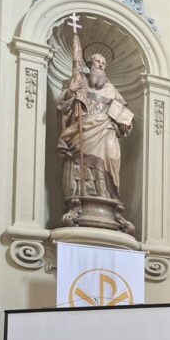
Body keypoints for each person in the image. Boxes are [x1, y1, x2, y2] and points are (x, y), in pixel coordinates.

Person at [57, 50, 132, 222]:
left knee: (112, 156)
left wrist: (124, 123)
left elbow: (124, 114)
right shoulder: (79, 82)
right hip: (82, 130)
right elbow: (62, 107)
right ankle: (80, 195)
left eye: (104, 64)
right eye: (98, 62)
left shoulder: (112, 90)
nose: (101, 66)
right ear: (89, 64)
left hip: (106, 130)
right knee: (81, 158)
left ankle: (108, 194)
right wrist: (70, 92)